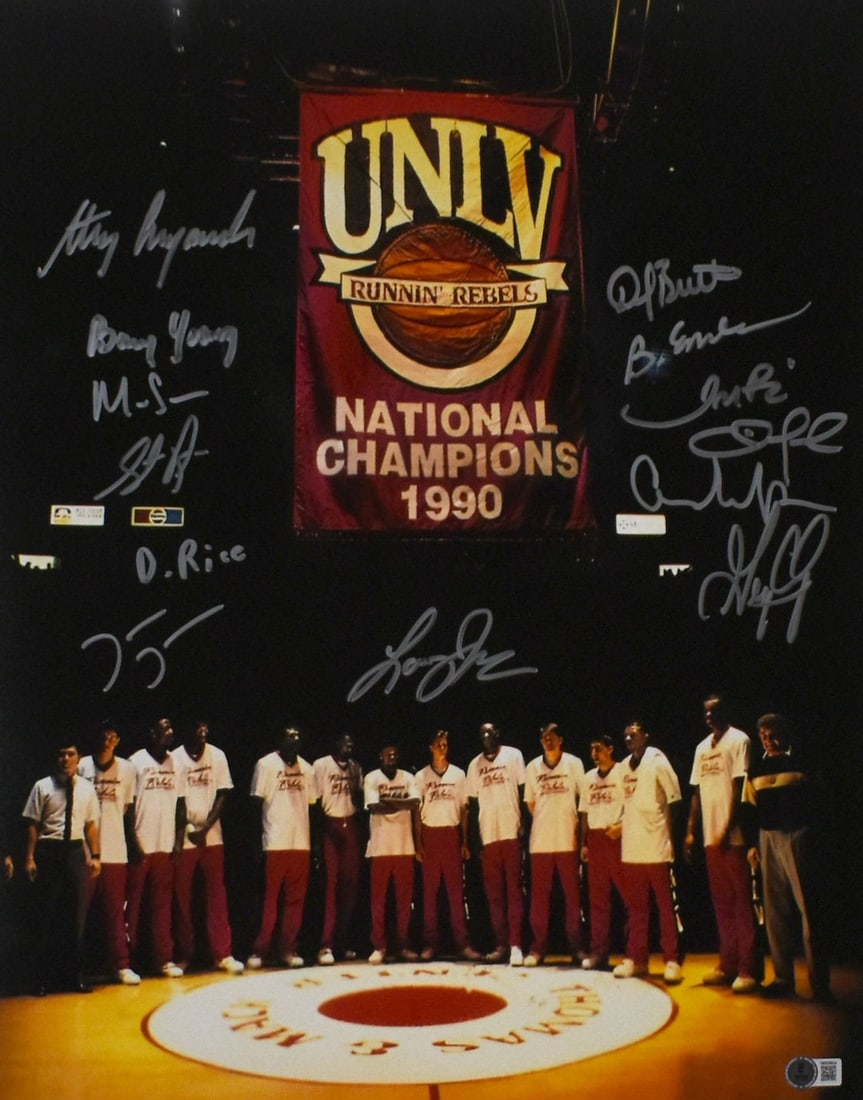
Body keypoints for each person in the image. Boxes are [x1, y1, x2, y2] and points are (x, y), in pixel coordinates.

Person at [744, 713, 830, 1001]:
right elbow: (750, 809)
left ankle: (819, 982)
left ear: (784, 733)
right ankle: (783, 978)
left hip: (798, 836)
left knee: (810, 908)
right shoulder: (756, 768)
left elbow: (819, 802)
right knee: (775, 910)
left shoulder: (802, 761)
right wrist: (752, 844)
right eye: (763, 736)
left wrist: (810, 836)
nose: (769, 740)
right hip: (768, 838)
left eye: (773, 734)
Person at [685, 693, 758, 993]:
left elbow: (740, 786)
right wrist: (691, 831)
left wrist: (729, 827)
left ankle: (748, 968)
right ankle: (727, 964)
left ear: (725, 711)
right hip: (710, 836)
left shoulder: (739, 740)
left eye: (714, 712)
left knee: (742, 903)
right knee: (721, 903)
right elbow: (697, 793)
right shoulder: (702, 748)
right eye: (705, 713)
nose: (709, 717)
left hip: (734, 837)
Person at [22, 739, 101, 994]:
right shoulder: (42, 786)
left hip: (75, 851)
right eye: (61, 754)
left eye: (71, 754)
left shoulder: (87, 789)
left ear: (78, 758)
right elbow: (33, 824)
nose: (66, 759)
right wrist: (30, 857)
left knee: (76, 918)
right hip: (49, 850)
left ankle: (75, 976)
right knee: (46, 917)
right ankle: (41, 979)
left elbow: (90, 824)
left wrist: (96, 855)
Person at [613, 722, 683, 984]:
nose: (629, 738)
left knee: (666, 907)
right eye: (626, 735)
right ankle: (637, 959)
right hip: (632, 848)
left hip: (657, 847)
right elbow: (626, 805)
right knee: (636, 909)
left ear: (646, 736)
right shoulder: (622, 767)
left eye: (634, 734)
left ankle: (672, 959)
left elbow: (675, 800)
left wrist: (665, 833)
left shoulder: (657, 760)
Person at [172, 720, 244, 974]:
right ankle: (184, 955)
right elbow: (177, 800)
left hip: (212, 835)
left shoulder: (218, 755)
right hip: (186, 836)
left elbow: (224, 793)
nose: (202, 731)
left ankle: (223, 954)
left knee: (217, 895)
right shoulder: (175, 757)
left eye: (205, 727)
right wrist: (192, 830)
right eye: (198, 727)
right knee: (182, 898)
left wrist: (206, 827)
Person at [247, 726, 318, 969]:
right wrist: (257, 841)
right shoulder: (266, 764)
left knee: (295, 901)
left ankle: (288, 949)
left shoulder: (308, 769)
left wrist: (314, 843)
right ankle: (260, 950)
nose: (295, 740)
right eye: (290, 735)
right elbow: (256, 803)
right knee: (269, 900)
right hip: (275, 842)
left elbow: (312, 806)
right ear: (280, 740)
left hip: (300, 843)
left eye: (298, 736)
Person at [78, 720, 140, 985]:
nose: (108, 740)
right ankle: (75, 966)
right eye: (104, 735)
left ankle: (121, 965)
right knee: (80, 912)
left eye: (113, 736)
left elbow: (126, 810)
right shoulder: (81, 765)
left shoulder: (127, 769)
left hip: (115, 850)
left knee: (116, 912)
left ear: (118, 740)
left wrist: (133, 844)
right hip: (85, 852)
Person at [127, 717, 186, 978]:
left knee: (162, 907)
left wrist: (177, 841)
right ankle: (127, 961)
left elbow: (181, 806)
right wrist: (133, 842)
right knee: (133, 908)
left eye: (172, 728)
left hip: (165, 844)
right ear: (152, 733)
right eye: (165, 728)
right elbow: (127, 808)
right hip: (142, 845)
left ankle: (163, 959)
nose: (170, 733)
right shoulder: (135, 762)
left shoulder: (177, 763)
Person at [415, 730, 482, 962]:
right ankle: (430, 944)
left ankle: (462, 944)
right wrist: (418, 844)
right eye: (438, 744)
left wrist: (464, 841)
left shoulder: (458, 774)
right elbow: (416, 813)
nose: (442, 748)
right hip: (430, 835)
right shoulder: (421, 776)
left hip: (451, 835)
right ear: (430, 747)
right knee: (430, 895)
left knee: (456, 894)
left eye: (445, 744)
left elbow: (464, 810)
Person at [523, 723, 585, 966]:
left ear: (561, 740)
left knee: (572, 898)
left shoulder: (574, 763)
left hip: (568, 840)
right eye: (543, 738)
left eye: (552, 737)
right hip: (541, 842)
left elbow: (583, 799)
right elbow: (530, 803)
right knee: (539, 899)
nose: (547, 741)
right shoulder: (532, 767)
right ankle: (537, 949)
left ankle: (577, 948)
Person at [466, 722, 526, 965]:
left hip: (511, 832)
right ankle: (501, 944)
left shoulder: (513, 755)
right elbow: (473, 806)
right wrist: (475, 839)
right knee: (494, 897)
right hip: (488, 836)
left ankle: (516, 945)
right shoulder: (474, 765)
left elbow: (523, 793)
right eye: (483, 734)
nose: (487, 736)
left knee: (514, 892)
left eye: (491, 732)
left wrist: (524, 825)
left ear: (498, 734)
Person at [364, 744, 421, 964]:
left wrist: (388, 801)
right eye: (388, 754)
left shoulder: (408, 777)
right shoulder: (371, 777)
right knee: (378, 901)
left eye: (395, 755)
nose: (392, 757)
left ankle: (403, 945)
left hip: (404, 847)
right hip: (380, 848)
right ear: (380, 757)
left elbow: (415, 803)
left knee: (404, 902)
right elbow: (374, 808)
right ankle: (379, 946)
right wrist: (402, 804)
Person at [312, 732, 364, 965]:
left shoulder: (355, 767)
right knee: (331, 889)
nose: (348, 746)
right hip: (330, 825)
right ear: (335, 744)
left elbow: (359, 800)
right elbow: (314, 803)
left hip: (350, 824)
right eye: (345, 742)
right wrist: (319, 837)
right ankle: (325, 945)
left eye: (351, 743)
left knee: (349, 889)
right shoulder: (321, 765)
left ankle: (342, 944)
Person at [578, 734, 626, 971]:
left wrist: (623, 825)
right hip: (596, 840)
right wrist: (584, 843)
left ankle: (632, 954)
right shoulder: (588, 778)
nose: (594, 753)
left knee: (628, 898)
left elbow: (633, 804)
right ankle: (599, 953)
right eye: (591, 749)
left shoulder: (622, 772)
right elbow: (584, 813)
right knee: (597, 902)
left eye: (598, 748)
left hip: (616, 837)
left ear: (610, 748)